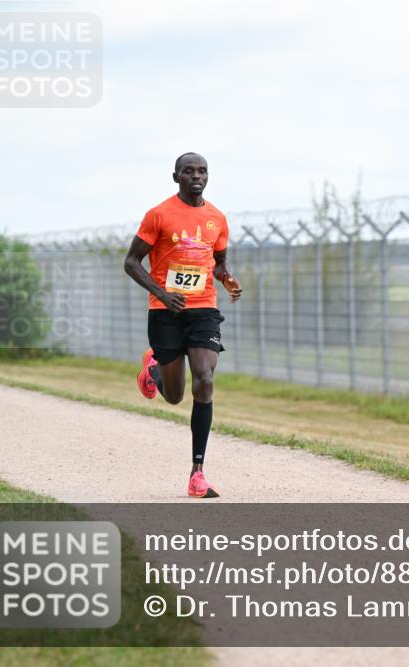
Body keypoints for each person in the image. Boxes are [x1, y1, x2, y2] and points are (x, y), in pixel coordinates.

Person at [124, 152, 243, 498]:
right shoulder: (159, 215)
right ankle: (153, 369)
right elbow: (131, 262)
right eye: (188, 171)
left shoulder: (217, 218)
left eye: (202, 171)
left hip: (204, 309)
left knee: (205, 379)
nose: (196, 176)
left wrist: (227, 280)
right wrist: (162, 294)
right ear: (176, 177)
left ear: (208, 176)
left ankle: (197, 473)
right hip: (166, 312)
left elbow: (218, 264)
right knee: (175, 396)